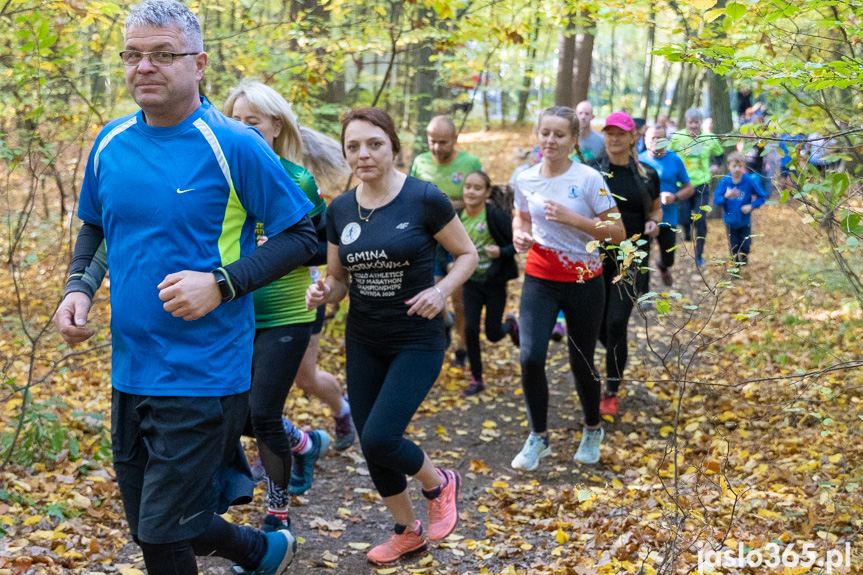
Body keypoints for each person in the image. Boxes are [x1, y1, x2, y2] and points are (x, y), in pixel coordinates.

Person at [53, 2, 317, 574]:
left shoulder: (235, 144)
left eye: (162, 54)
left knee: (162, 531)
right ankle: (262, 551)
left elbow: (302, 234)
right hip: (131, 367)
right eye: (133, 55)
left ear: (197, 63)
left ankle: (259, 550)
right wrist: (79, 287)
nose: (144, 66)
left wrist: (222, 284)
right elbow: (98, 226)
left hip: (205, 369)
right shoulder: (109, 142)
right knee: (159, 525)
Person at [306, 107, 478, 565]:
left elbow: (467, 255)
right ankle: (407, 531)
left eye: (374, 144)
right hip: (364, 339)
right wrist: (325, 292)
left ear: (394, 146)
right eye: (353, 147)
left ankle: (439, 482)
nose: (363, 154)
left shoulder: (424, 198)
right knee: (371, 444)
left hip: (416, 340)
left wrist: (441, 291)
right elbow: (338, 280)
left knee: (382, 437)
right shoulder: (340, 209)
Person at [221, 80, 354, 535]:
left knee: (262, 411)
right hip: (232, 312)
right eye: (235, 121)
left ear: (275, 126)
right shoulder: (215, 178)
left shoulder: (296, 179)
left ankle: (278, 513)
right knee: (230, 411)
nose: (243, 130)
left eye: (253, 122)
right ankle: (303, 442)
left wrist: (280, 247)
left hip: (287, 311)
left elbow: (320, 247)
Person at [510, 106, 625, 470]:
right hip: (540, 277)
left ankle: (592, 429)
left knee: (581, 361)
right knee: (530, 357)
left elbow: (618, 233)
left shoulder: (590, 179)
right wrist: (518, 233)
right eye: (545, 132)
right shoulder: (524, 178)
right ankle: (538, 437)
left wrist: (575, 219)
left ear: (574, 139)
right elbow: (522, 214)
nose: (551, 140)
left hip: (584, 280)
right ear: (537, 134)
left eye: (560, 134)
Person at [588, 112, 661, 416]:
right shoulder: (591, 172)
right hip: (595, 255)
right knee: (599, 326)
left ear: (633, 137)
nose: (614, 139)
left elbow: (656, 210)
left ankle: (611, 389)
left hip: (631, 257)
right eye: (609, 133)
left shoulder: (646, 175)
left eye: (620, 133)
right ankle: (612, 357)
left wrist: (654, 224)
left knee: (617, 322)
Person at [410, 115, 483, 369]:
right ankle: (445, 324)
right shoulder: (419, 162)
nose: (437, 148)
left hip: (458, 242)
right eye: (433, 142)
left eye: (443, 142)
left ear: (455, 139)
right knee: (431, 292)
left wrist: (443, 206)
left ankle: (462, 346)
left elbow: (478, 198)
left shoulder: (470, 162)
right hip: (428, 243)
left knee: (460, 299)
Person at [458, 170, 520, 398]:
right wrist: (447, 263)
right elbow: (442, 245)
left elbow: (517, 244)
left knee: (493, 334)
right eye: (468, 187)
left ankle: (510, 325)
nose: (471, 192)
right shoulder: (457, 217)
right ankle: (477, 379)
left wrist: (500, 252)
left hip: (494, 282)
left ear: (486, 193)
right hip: (471, 282)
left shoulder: (494, 216)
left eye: (477, 188)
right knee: (471, 329)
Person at [639, 125, 694, 286]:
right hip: (645, 217)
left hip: (668, 216)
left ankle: (663, 266)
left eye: (660, 138)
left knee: (669, 258)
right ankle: (645, 293)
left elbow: (689, 188)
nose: (656, 142)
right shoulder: (639, 160)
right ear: (645, 140)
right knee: (642, 257)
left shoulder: (675, 159)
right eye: (652, 138)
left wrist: (674, 196)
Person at [671, 108, 724, 268]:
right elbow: (669, 154)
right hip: (683, 185)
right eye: (691, 122)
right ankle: (687, 231)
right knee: (684, 219)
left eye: (697, 122)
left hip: (702, 184)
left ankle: (699, 256)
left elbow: (720, 154)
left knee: (700, 220)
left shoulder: (709, 138)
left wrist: (715, 165)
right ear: (686, 122)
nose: (694, 125)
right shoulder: (678, 138)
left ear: (701, 122)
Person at [713, 152, 767, 271]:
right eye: (734, 166)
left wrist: (751, 205)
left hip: (744, 221)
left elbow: (762, 196)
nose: (737, 169)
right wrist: (726, 196)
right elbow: (716, 200)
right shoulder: (725, 182)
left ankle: (744, 256)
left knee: (745, 246)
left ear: (744, 166)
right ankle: (735, 271)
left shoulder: (748, 181)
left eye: (740, 166)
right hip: (730, 221)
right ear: (729, 166)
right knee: (733, 247)